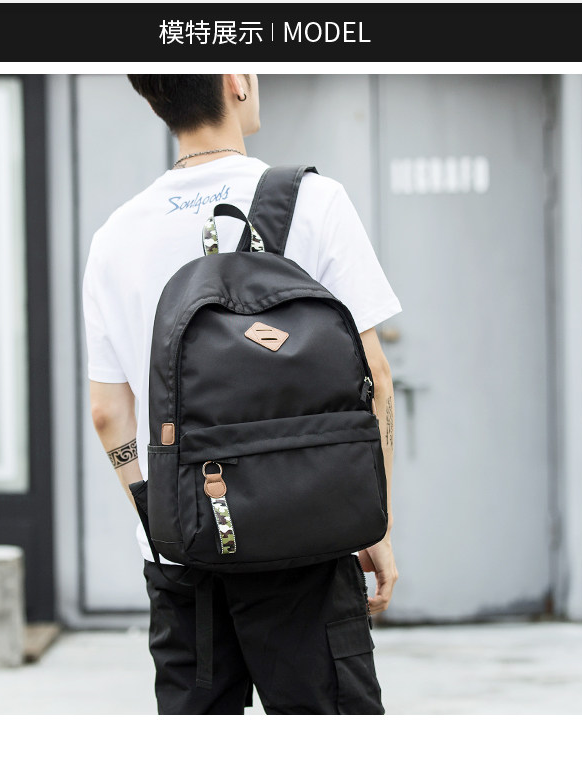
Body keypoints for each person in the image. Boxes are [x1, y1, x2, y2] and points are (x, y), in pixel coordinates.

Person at [82, 74, 401, 714]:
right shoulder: (313, 201)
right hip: (305, 535)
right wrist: (374, 519)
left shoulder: (115, 236)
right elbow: (375, 375)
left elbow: (107, 413)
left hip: (184, 553)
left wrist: (160, 515)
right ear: (235, 80)